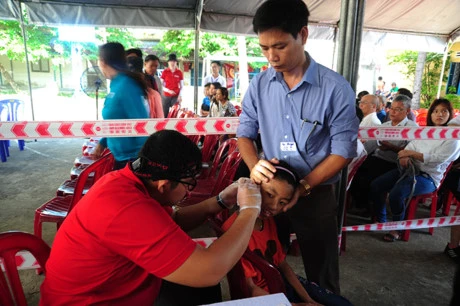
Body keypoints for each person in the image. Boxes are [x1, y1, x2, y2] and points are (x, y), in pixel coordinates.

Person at [40, 130, 263, 305]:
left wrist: (221, 200)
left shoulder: (126, 181)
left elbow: (171, 222)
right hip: (91, 301)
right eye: (189, 184)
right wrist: (250, 210)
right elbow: (210, 271)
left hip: (111, 290)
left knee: (199, 290)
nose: (189, 192)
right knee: (202, 280)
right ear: (164, 185)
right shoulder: (126, 208)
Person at [236, 0, 359, 294]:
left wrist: (302, 187)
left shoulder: (335, 88)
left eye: (279, 46)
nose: (271, 56)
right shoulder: (260, 84)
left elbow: (342, 150)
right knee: (265, 264)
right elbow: (244, 132)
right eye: (264, 48)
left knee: (322, 269)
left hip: (315, 192)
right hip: (268, 189)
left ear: (303, 35)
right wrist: (254, 165)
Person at [222, 161, 353, 306]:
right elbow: (250, 289)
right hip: (264, 299)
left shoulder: (268, 221)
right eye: (270, 194)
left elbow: (282, 265)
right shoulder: (235, 231)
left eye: (282, 202)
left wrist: (308, 300)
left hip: (280, 286)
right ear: (254, 185)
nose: (274, 206)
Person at [370, 98, 460, 241]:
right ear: (430, 114)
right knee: (376, 185)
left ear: (450, 114)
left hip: (428, 177)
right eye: (436, 111)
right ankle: (382, 220)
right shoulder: (425, 131)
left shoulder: (453, 137)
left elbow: (438, 158)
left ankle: (397, 228)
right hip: (408, 170)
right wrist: (404, 156)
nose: (439, 114)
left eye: (444, 111)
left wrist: (410, 154)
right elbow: (407, 149)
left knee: (396, 194)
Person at [349, 94, 418, 216]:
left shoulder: (412, 128)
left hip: (394, 163)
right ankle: (361, 205)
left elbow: (411, 151)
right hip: (378, 157)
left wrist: (391, 147)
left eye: (398, 109)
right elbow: (372, 144)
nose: (393, 112)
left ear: (407, 111)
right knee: (354, 170)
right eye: (392, 108)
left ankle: (373, 211)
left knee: (368, 178)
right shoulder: (384, 126)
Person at [92, 42, 150, 170]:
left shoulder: (126, 85)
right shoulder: (116, 84)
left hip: (131, 161)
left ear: (102, 61)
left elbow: (141, 124)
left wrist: (139, 164)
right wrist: (102, 143)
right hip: (120, 158)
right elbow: (116, 121)